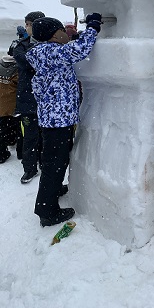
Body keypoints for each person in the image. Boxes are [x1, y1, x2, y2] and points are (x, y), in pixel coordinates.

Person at [26, 13, 102, 227]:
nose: (65, 34)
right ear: (53, 35)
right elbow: (80, 50)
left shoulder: (44, 52)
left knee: (54, 160)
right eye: (62, 31)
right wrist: (93, 27)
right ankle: (47, 211)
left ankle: (55, 188)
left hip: (54, 118)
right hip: (57, 120)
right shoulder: (52, 53)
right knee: (54, 163)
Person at [12, 11, 45, 183]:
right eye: (26, 24)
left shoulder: (50, 43)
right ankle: (30, 169)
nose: (27, 27)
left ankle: (45, 165)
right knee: (30, 137)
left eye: (29, 24)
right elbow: (25, 61)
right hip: (28, 99)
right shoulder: (21, 45)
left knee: (48, 137)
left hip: (47, 100)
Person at [0, 55, 18, 163]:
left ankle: (3, 150)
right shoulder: (17, 70)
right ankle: (11, 141)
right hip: (11, 104)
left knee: (2, 127)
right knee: (10, 124)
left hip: (1, 102)